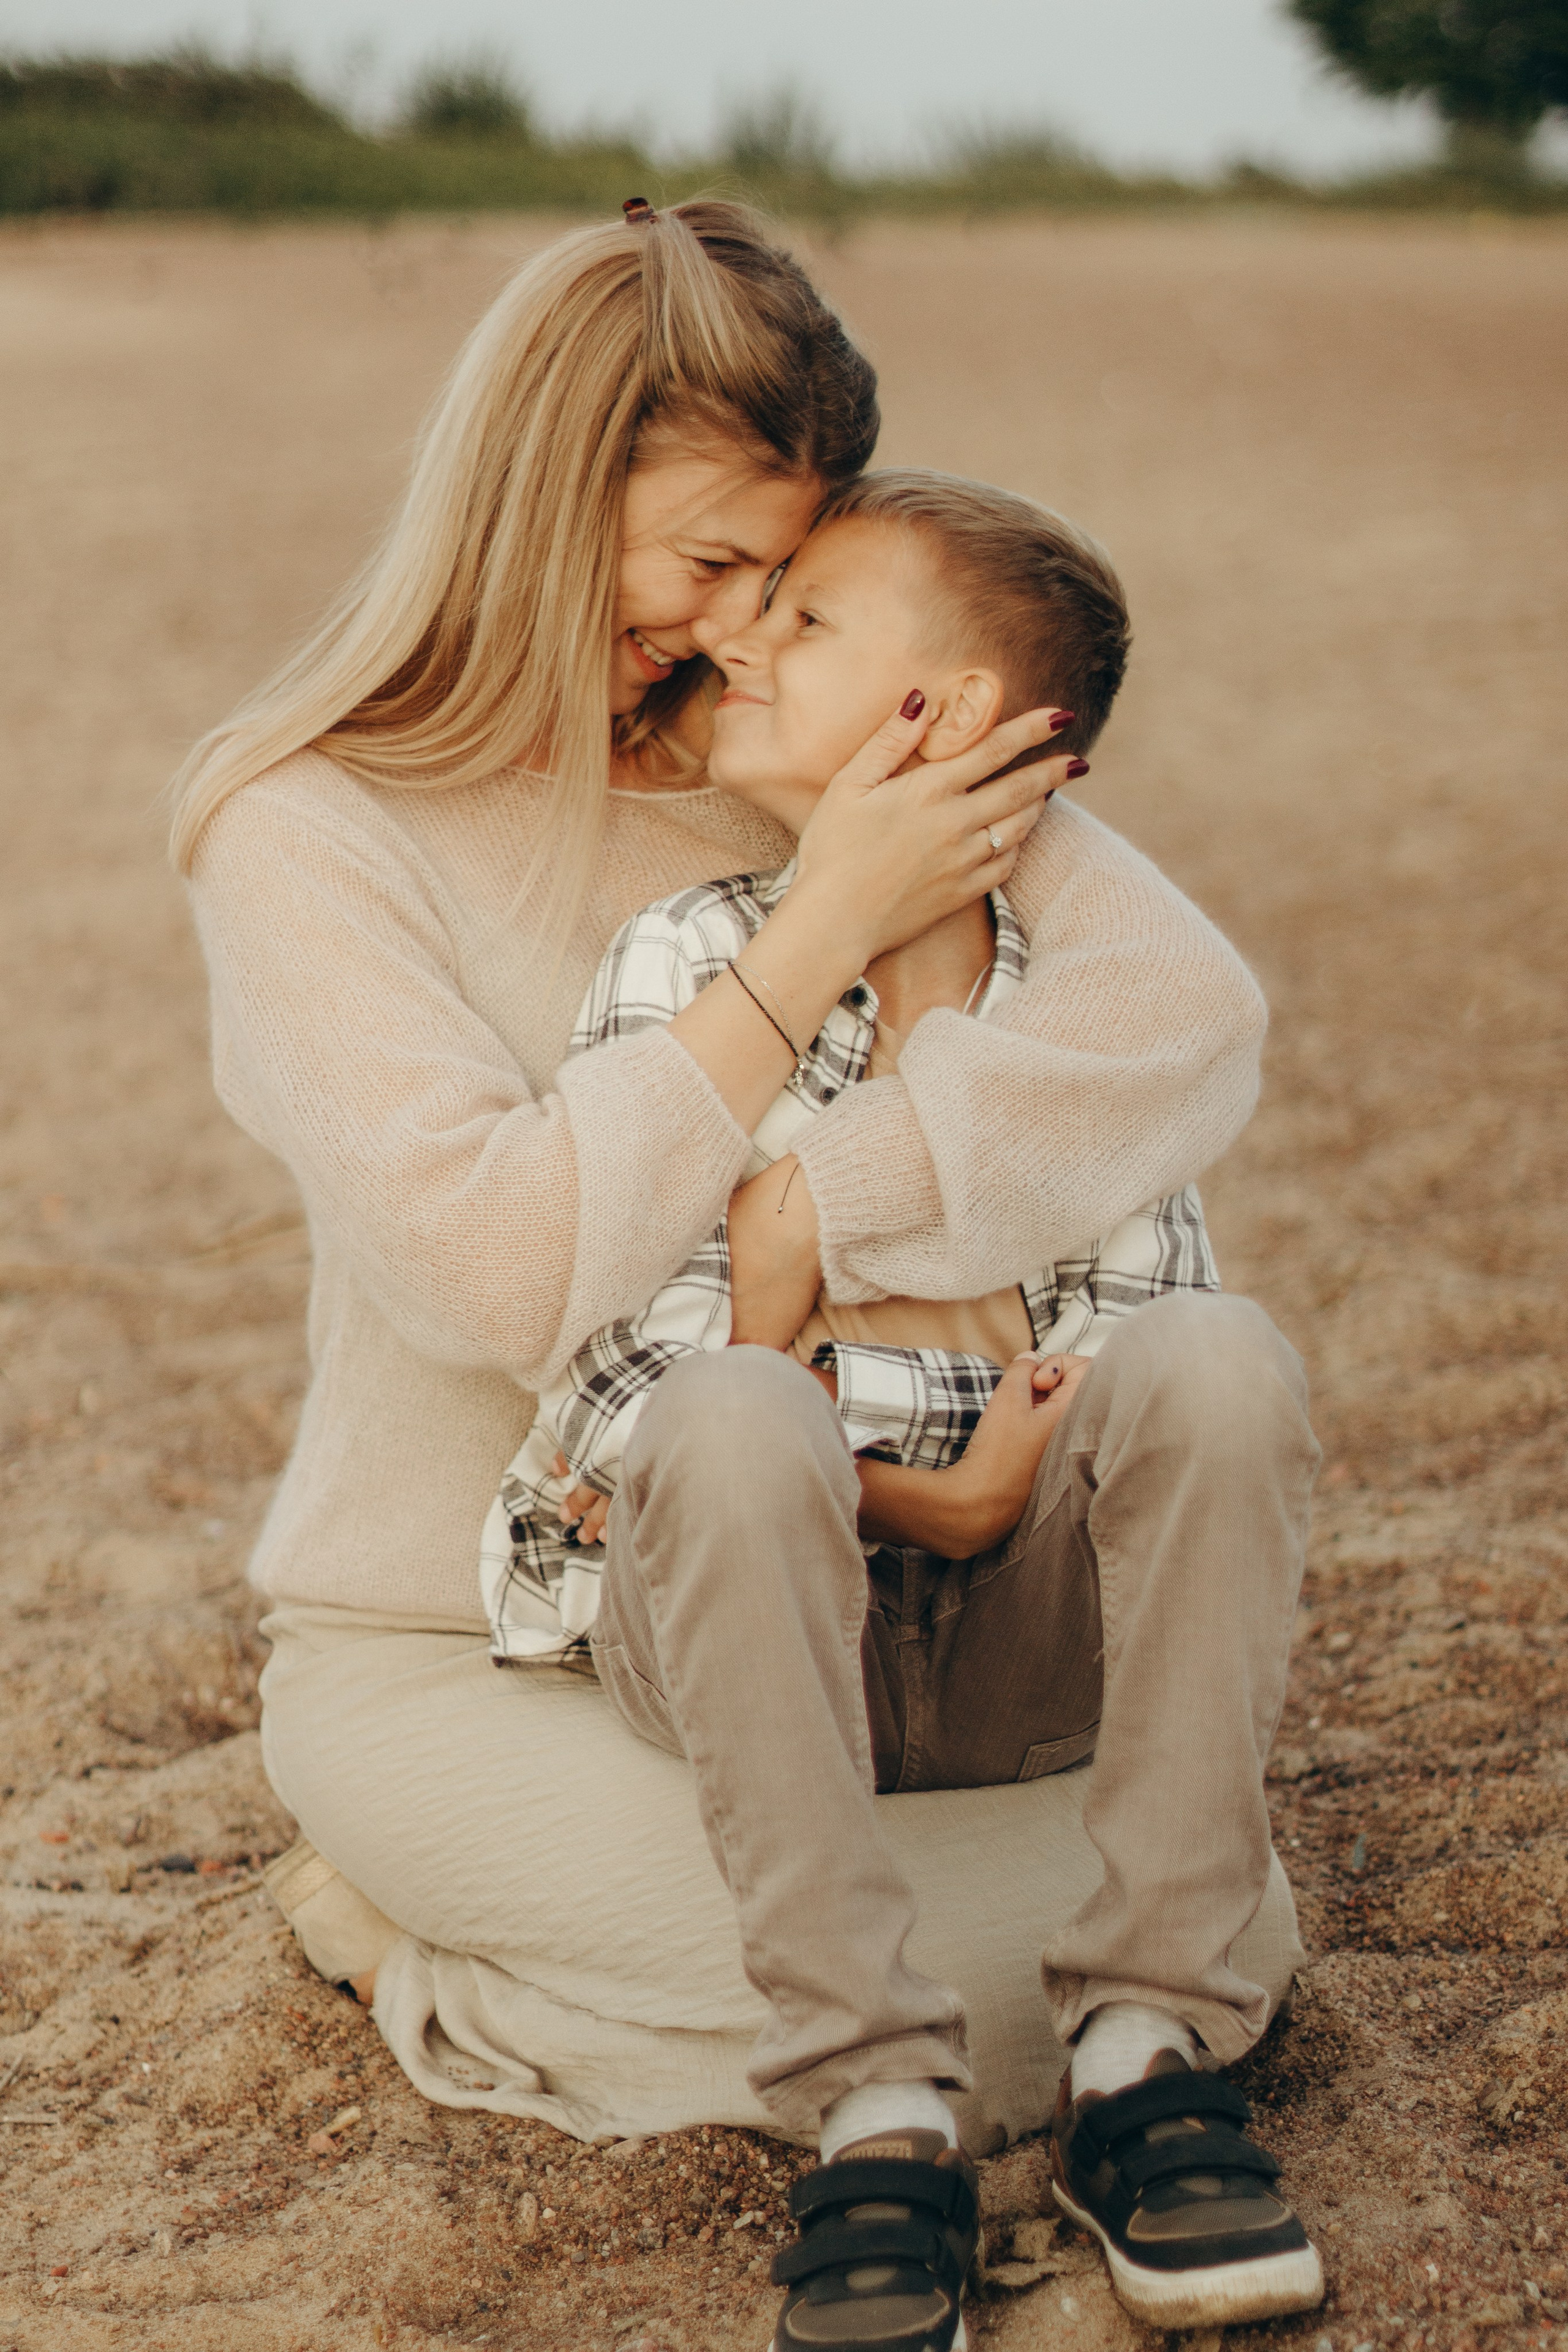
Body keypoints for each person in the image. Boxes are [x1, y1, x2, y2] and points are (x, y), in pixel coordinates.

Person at [172, 200, 1299, 2350]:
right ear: (536, 489)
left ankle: (1049, 1975)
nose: (731, 629)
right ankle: (407, 1923)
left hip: (885, 1605)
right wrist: (812, 929)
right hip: (487, 1633)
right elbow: (501, 1269)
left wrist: (823, 1209)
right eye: (705, 565)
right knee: (1029, 1972)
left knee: (1153, 1915)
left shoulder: (797, 734)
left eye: (783, 583)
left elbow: (1182, 1023)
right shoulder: (305, 823)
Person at [471, 472, 1324, 2350]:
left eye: (808, 620)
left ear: (934, 722)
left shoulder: (1082, 1022)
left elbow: (1127, 1358)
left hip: (1023, 1650)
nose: (743, 639)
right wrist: (909, 1480)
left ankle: (1146, 2047)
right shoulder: (695, 967)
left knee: (1231, 1357)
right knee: (720, 1419)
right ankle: (875, 2104)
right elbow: (630, 1390)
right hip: (750, 1619)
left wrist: (801, 1272)